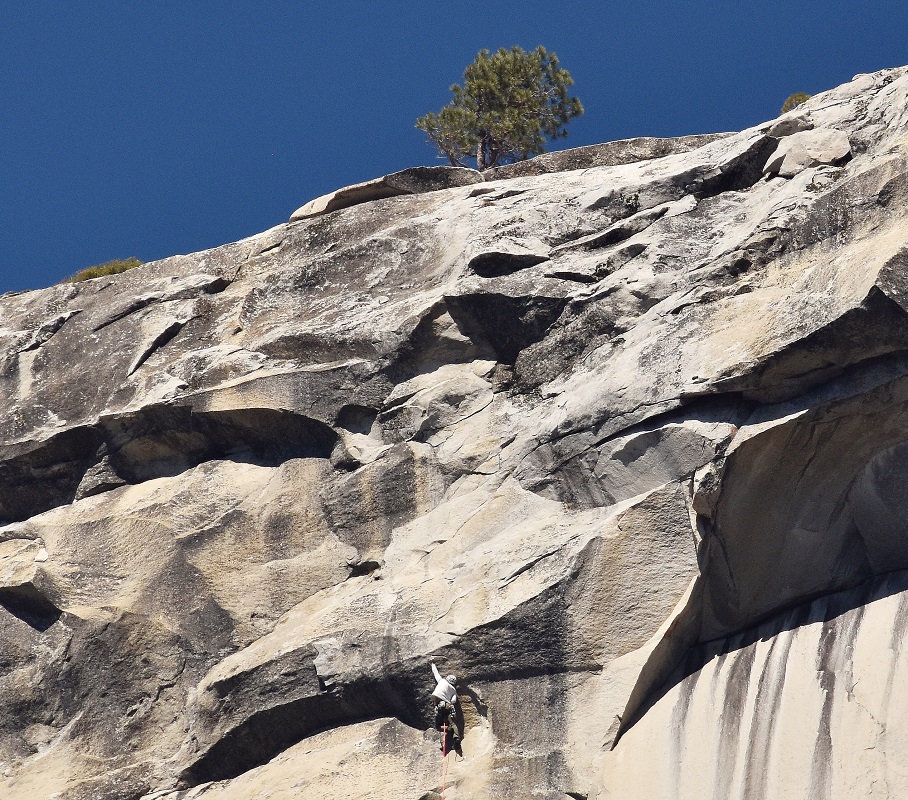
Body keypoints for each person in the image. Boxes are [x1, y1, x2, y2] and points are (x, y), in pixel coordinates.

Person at [430, 662, 461, 753]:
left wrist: (432, 665)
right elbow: (454, 701)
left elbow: (436, 673)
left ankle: (448, 729)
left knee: (438, 726)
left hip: (440, 705)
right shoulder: (453, 690)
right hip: (448, 706)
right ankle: (456, 738)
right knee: (452, 722)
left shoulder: (442, 681)